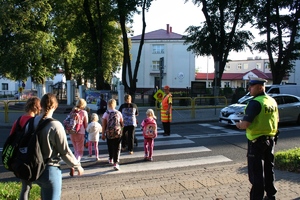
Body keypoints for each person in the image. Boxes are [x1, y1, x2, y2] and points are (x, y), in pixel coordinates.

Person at [33, 93, 84, 200]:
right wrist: (76, 165)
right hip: (49, 169)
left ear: (40, 105)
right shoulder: (55, 125)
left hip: (33, 168)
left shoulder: (32, 121)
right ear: (55, 106)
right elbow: (64, 151)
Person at [235, 77, 278, 200]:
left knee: (256, 174)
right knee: (269, 170)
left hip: (256, 142)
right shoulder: (271, 101)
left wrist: (238, 124)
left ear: (260, 87)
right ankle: (271, 196)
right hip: (270, 140)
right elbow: (276, 120)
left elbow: (245, 124)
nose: (249, 89)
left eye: (251, 86)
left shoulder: (255, 103)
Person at [9, 97, 41, 200]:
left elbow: (11, 137)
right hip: (34, 156)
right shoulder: (35, 121)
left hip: (20, 157)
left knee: (25, 187)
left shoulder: (18, 120)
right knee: (44, 185)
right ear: (37, 107)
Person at [101, 99, 124, 170]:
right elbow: (122, 124)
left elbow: (104, 125)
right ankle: (115, 163)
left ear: (108, 105)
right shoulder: (118, 113)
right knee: (117, 147)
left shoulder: (106, 114)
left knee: (110, 145)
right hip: (117, 132)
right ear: (115, 105)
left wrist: (103, 134)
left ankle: (110, 158)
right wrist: (122, 131)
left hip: (109, 132)